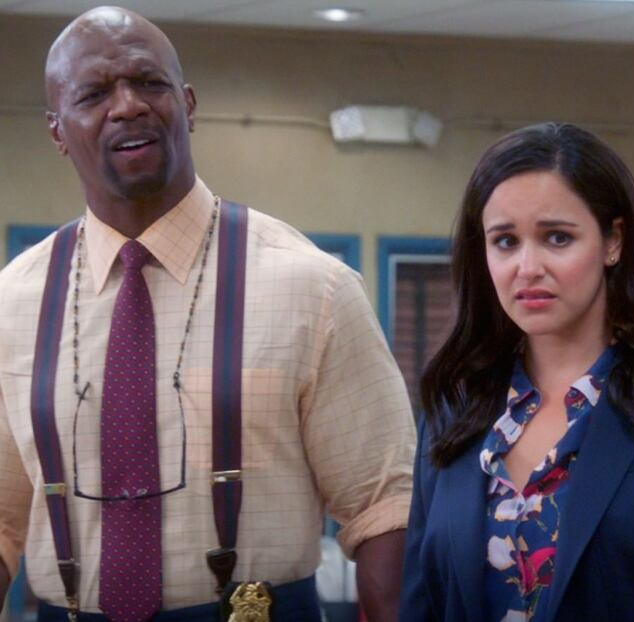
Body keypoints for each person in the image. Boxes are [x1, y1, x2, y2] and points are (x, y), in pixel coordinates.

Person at [0, 6, 416, 621]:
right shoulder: (13, 304)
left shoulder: (313, 287)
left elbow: (384, 509)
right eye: (94, 94)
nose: (127, 106)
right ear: (58, 132)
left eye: (149, 83)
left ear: (187, 104)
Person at [400, 122, 634, 621]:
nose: (527, 267)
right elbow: (422, 598)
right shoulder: (454, 409)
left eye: (557, 237)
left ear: (613, 241)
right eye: (505, 241)